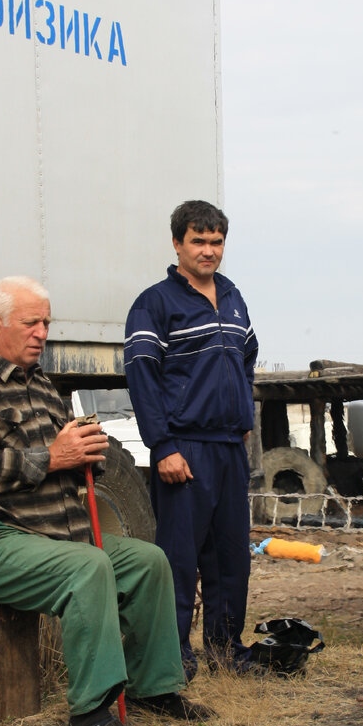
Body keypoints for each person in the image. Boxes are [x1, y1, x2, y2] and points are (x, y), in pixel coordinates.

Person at [0, 275, 211, 726]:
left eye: (47, 323)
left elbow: (65, 464)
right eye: (31, 322)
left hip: (50, 535)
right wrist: (54, 456)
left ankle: (155, 687)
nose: (42, 333)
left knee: (148, 562)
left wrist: (88, 457)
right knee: (87, 567)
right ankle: (92, 713)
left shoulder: (41, 387)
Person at [124, 201, 258, 679]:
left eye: (216, 241)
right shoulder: (155, 303)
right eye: (198, 241)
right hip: (184, 447)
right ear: (177, 243)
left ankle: (226, 651)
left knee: (230, 559)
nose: (209, 250)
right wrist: (162, 446)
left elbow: (246, 358)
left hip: (228, 449)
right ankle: (173, 657)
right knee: (179, 561)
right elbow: (142, 376)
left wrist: (243, 411)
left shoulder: (234, 297)